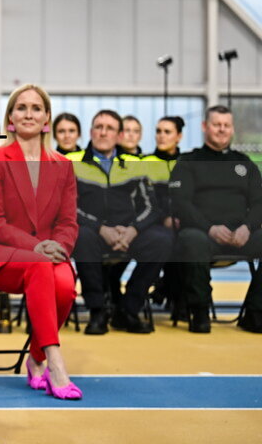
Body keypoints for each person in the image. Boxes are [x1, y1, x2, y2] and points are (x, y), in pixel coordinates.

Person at [0, 84, 81, 400]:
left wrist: (60, 247)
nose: (29, 113)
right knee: (40, 265)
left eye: (36, 108)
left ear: (46, 119)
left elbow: (68, 222)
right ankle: (55, 363)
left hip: (48, 254)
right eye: (22, 107)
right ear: (10, 118)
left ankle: (35, 358)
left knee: (66, 286)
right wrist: (36, 247)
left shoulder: (63, 165)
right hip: (0, 254)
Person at [68, 110, 173, 334]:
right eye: (98, 127)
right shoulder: (73, 164)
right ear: (90, 132)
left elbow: (151, 207)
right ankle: (97, 311)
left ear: (119, 135)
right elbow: (68, 207)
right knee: (81, 237)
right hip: (92, 232)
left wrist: (133, 230)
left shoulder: (135, 165)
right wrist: (100, 228)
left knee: (163, 240)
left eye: (109, 128)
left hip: (128, 233)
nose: (103, 132)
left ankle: (128, 309)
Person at [170, 105, 262, 334]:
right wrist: (209, 228)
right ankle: (199, 312)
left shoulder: (245, 163)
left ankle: (255, 312)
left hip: (242, 235)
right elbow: (181, 203)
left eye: (226, 125)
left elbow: (259, 202)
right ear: (205, 127)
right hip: (203, 235)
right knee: (191, 239)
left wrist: (248, 227)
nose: (222, 129)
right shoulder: (188, 161)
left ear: (232, 129)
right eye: (216, 124)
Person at [141, 116, 185, 316]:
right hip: (156, 223)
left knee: (186, 238)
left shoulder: (186, 164)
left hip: (183, 223)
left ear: (179, 137)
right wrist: (164, 218)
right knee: (167, 239)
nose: (161, 136)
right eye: (158, 131)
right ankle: (174, 295)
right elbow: (146, 200)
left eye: (167, 132)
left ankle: (167, 289)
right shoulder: (146, 162)